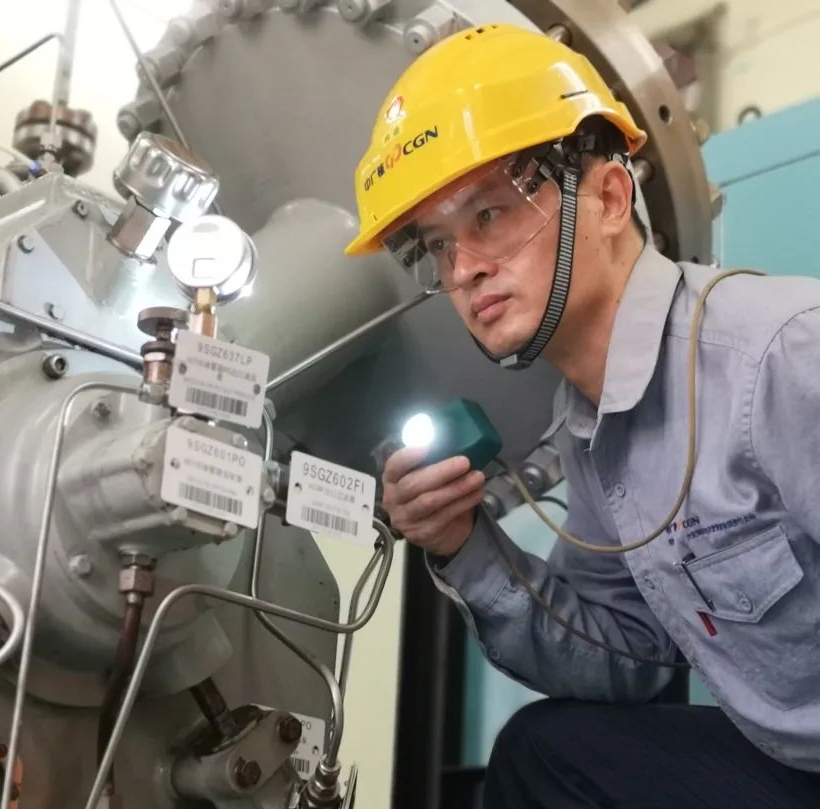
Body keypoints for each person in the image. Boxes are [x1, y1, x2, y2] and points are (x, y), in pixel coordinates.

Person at [344, 22, 820, 809]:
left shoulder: (779, 355)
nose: (464, 270)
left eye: (489, 215)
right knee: (544, 754)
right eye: (437, 246)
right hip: (790, 761)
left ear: (607, 197)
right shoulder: (592, 430)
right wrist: (463, 544)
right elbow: (628, 658)